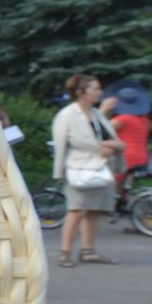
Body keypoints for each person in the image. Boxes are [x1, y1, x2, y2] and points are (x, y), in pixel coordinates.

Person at [51, 74, 122, 266]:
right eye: (95, 88)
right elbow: (62, 145)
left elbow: (111, 137)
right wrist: (59, 173)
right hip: (79, 167)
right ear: (81, 92)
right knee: (76, 210)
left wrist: (112, 146)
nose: (100, 92)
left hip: (100, 167)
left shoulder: (97, 114)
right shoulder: (67, 115)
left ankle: (88, 250)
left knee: (94, 210)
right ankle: (65, 252)